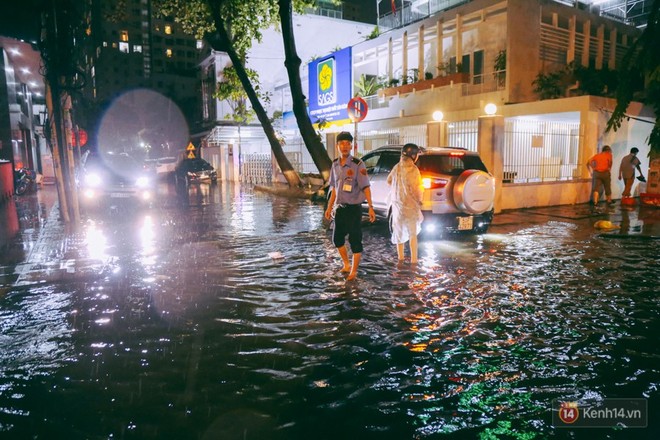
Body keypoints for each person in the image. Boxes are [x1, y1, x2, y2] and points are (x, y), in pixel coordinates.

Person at [324, 131, 376, 280]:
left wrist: (371, 207)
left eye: (348, 143)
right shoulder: (335, 165)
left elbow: (366, 187)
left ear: (351, 146)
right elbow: (334, 188)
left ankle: (354, 271)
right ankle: (346, 264)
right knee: (337, 239)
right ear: (337, 146)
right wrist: (329, 207)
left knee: (355, 240)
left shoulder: (358, 164)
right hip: (340, 208)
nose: (345, 146)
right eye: (342, 143)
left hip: (354, 209)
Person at [387, 143, 423, 263]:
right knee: (413, 234)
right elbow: (418, 189)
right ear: (413, 155)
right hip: (410, 207)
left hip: (397, 207)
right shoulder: (414, 170)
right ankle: (414, 261)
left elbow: (389, 180)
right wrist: (420, 202)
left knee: (399, 233)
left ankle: (400, 259)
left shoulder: (397, 167)